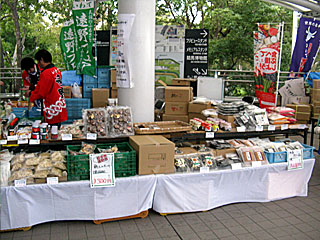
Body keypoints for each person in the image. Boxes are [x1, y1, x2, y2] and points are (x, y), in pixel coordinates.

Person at [29, 49, 67, 127]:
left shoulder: (46, 73)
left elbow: (42, 93)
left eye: (38, 61)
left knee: (51, 131)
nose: (38, 64)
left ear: (42, 60)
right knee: (56, 129)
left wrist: (31, 95)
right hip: (59, 105)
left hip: (51, 108)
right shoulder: (56, 70)